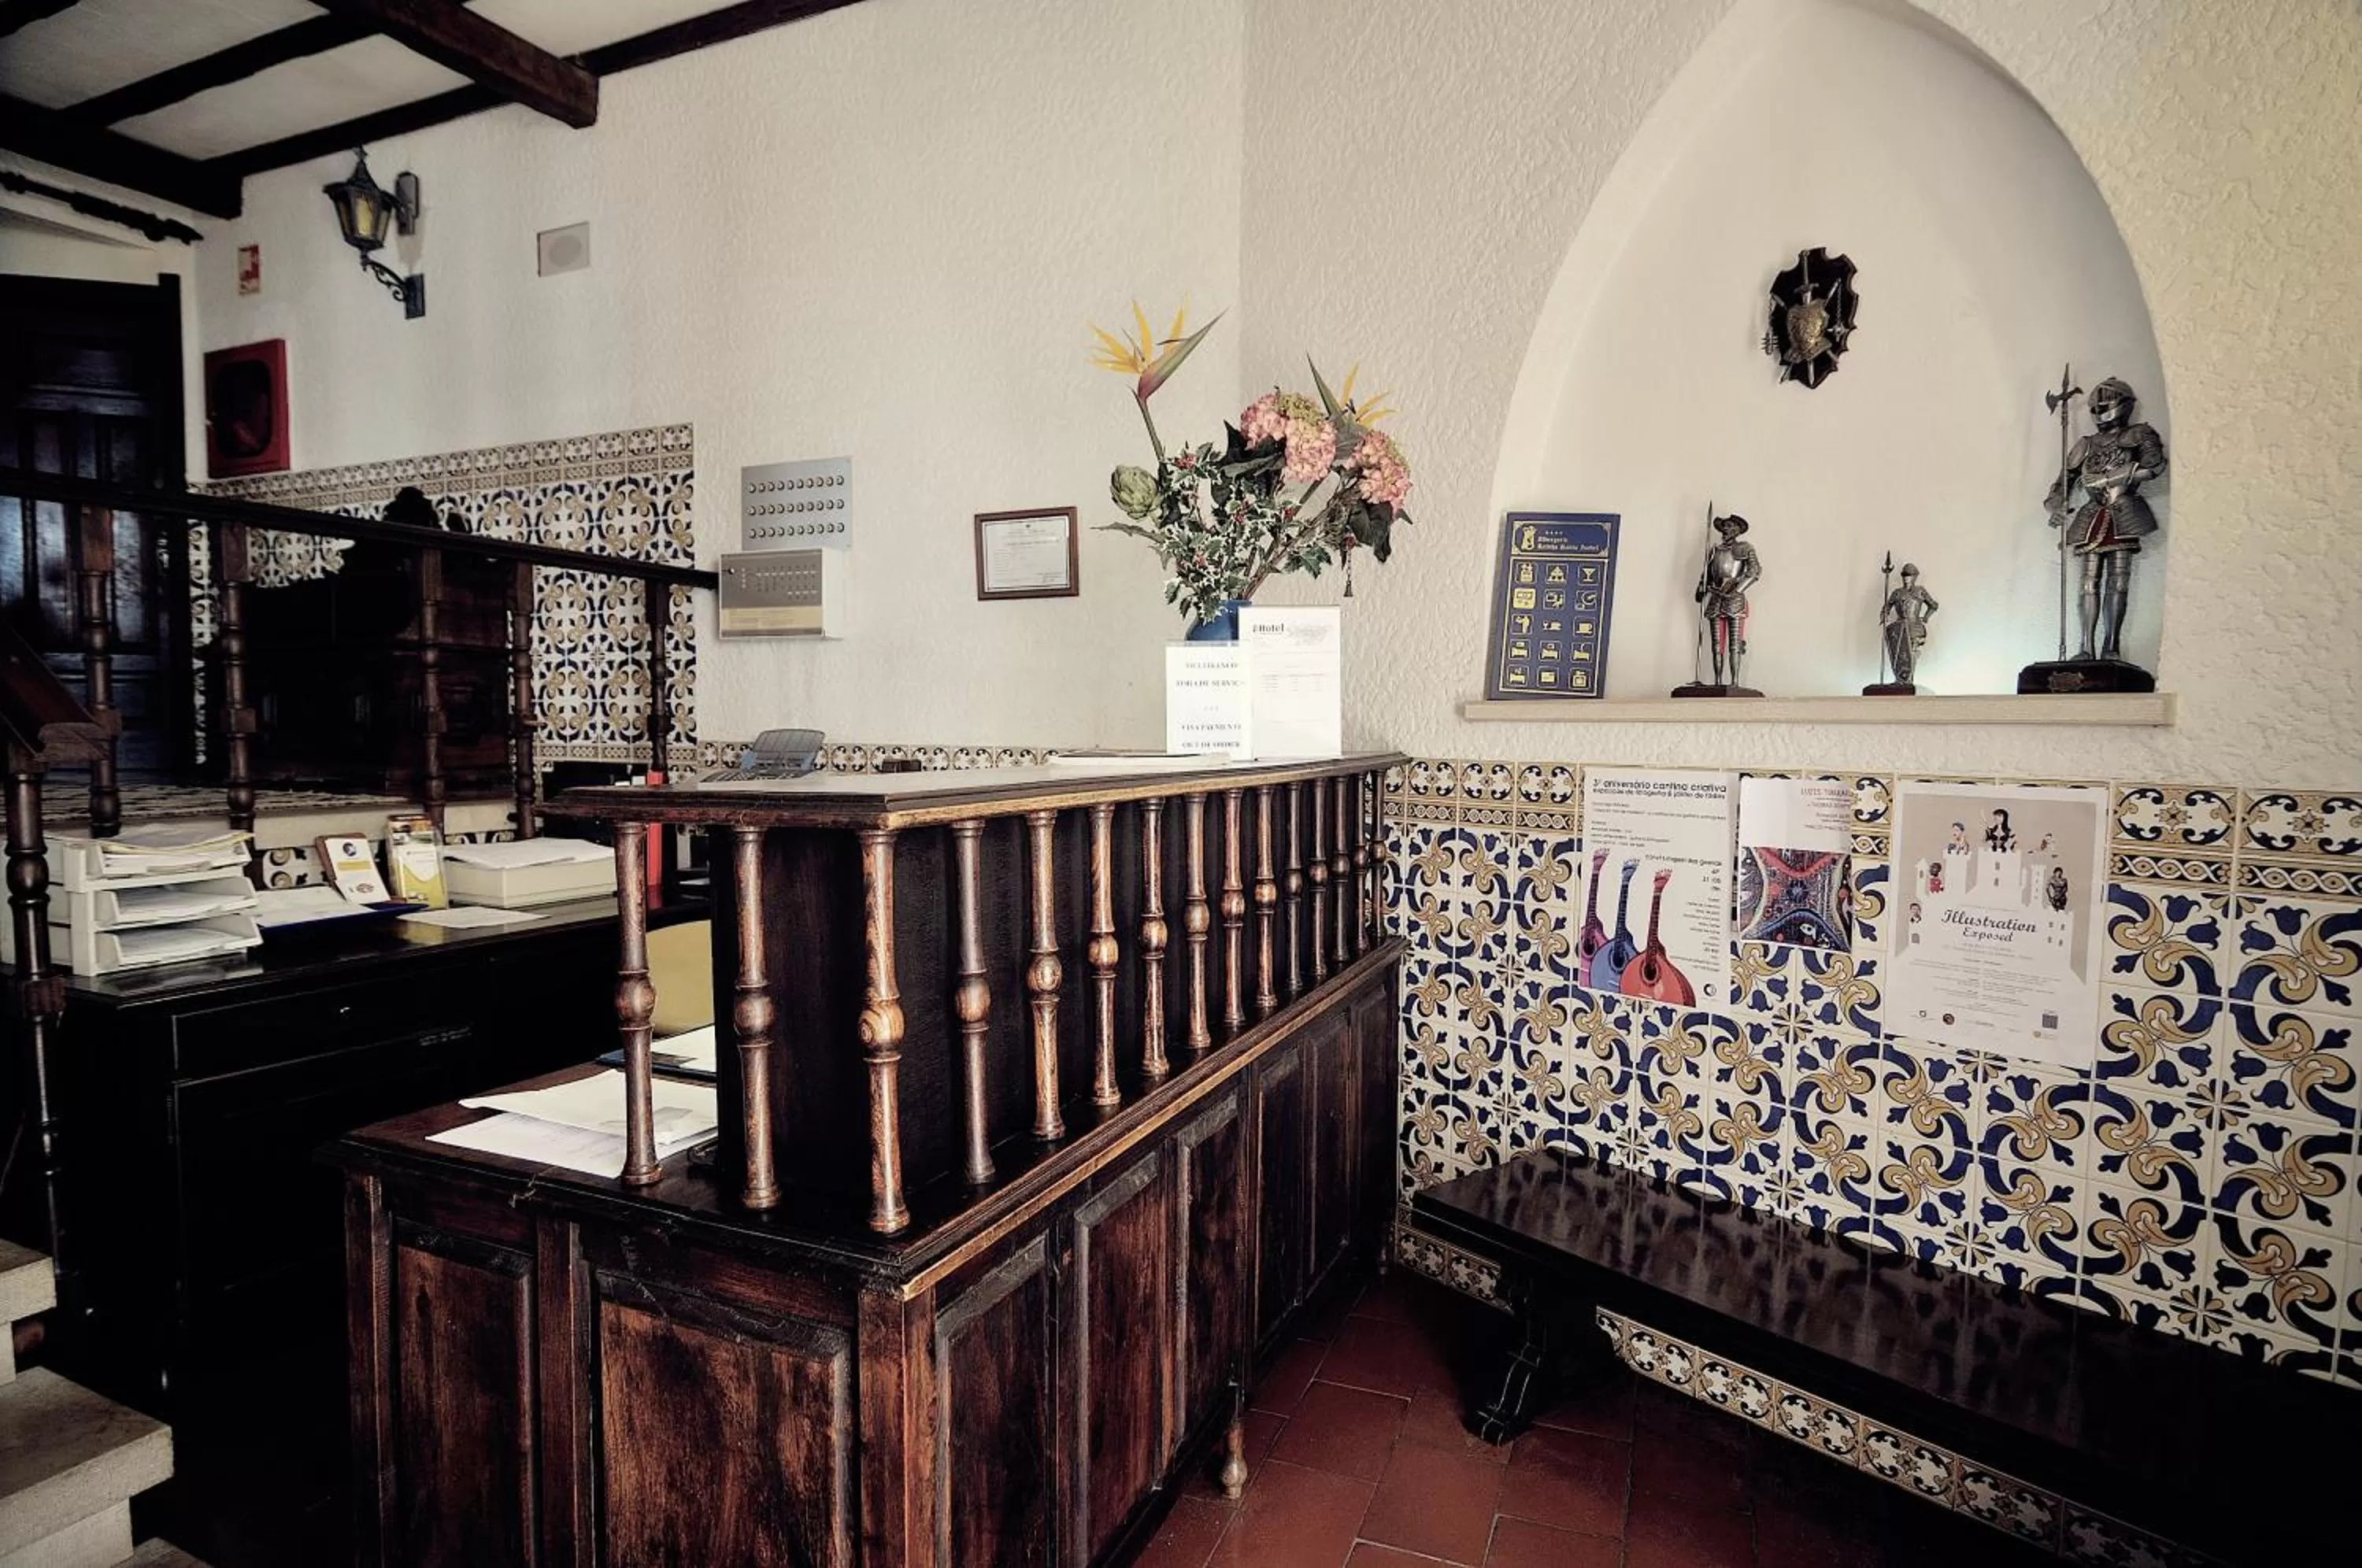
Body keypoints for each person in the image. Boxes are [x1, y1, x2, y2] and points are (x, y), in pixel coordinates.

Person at [2046, 377, 2168, 662]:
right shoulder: (2086, 445)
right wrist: (2056, 507)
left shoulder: (2139, 434)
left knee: (2118, 582)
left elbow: (2154, 466)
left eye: (2108, 403)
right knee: (2088, 582)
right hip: (2091, 513)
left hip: (2124, 509)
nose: (2102, 410)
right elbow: (2062, 483)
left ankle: (2110, 647)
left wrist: (2111, 477)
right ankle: (2086, 648)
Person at [1694, 514, 1761, 688]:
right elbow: (1707, 574)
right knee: (1716, 643)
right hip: (1716, 598)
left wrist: (1737, 589)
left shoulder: (1745, 548)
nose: (1725, 529)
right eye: (1724, 526)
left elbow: (1754, 571)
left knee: (1735, 643)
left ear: (1737, 530)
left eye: (1729, 526)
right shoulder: (1715, 550)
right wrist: (1701, 588)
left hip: (1734, 599)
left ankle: (1734, 682)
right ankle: (1717, 681)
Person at [1878, 564, 1939, 686]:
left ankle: (1908, 680)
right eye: (1904, 575)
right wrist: (1884, 616)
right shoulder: (1897, 593)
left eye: (1909, 575)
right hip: (1900, 627)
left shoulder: (1920, 591)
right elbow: (1887, 607)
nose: (1906, 578)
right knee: (1898, 653)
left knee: (1911, 652)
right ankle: (1901, 679)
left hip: (1915, 626)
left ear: (1914, 576)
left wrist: (1926, 617)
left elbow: (1933, 605)